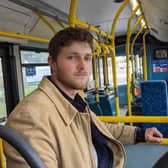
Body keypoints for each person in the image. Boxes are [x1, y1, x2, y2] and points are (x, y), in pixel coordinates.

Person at [4, 27, 163, 168]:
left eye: (87, 58)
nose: (82, 66)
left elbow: (100, 129)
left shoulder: (75, 98)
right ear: (52, 63)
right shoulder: (30, 117)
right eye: (72, 57)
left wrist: (140, 133)